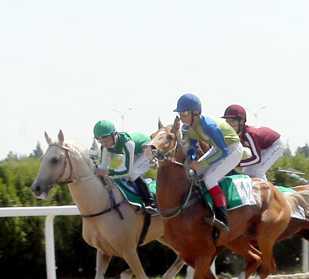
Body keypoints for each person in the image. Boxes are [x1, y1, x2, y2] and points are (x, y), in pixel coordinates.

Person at [174, 93, 246, 231]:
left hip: (233, 150)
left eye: (184, 113)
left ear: (196, 113)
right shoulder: (188, 128)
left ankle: (223, 218)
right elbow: (192, 148)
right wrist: (193, 158)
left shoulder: (209, 126)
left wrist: (201, 164)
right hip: (217, 149)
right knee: (191, 173)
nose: (182, 118)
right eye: (180, 114)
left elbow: (223, 152)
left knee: (210, 178)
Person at [92, 120, 158, 214]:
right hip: (136, 152)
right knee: (121, 177)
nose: (104, 144)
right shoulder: (105, 147)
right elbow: (103, 166)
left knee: (133, 172)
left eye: (106, 140)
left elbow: (126, 170)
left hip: (148, 150)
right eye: (100, 141)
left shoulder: (127, 143)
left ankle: (151, 203)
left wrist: (107, 172)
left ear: (114, 134)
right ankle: (136, 202)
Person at [221, 105, 286, 181]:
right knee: (246, 172)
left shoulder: (249, 134)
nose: (230, 126)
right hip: (263, 146)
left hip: (276, 144)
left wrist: (237, 163)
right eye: (228, 122)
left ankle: (269, 192)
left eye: (233, 122)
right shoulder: (236, 134)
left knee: (259, 172)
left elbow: (256, 158)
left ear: (241, 122)